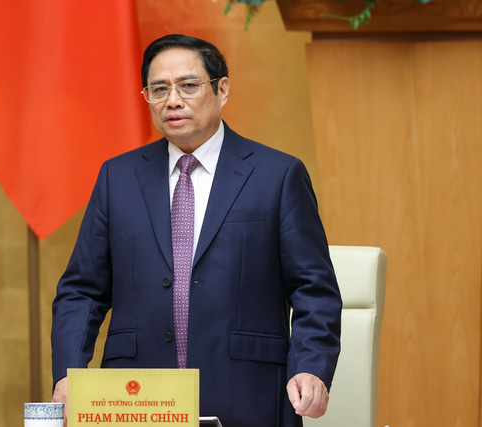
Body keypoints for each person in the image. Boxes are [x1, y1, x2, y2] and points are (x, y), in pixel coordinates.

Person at [51, 34, 342, 427]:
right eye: (159, 89)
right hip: (138, 401)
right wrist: (69, 374)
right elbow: (81, 291)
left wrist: (311, 366)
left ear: (222, 90)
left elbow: (313, 288)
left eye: (188, 85)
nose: (172, 100)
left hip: (248, 393)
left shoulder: (277, 175)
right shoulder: (117, 178)